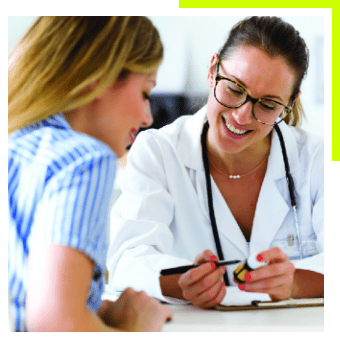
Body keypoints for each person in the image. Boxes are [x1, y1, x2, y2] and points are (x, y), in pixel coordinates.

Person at [107, 16, 324, 309]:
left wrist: (294, 282)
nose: (242, 116)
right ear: (213, 71)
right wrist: (186, 284)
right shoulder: (158, 151)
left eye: (268, 104)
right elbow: (128, 260)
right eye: (234, 89)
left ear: (289, 103)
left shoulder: (317, 159)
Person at [8, 16, 173, 331]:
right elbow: (55, 323)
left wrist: (92, 310)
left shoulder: (17, 145)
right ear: (100, 77)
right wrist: (136, 329)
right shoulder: (85, 159)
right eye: (145, 93)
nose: (148, 116)